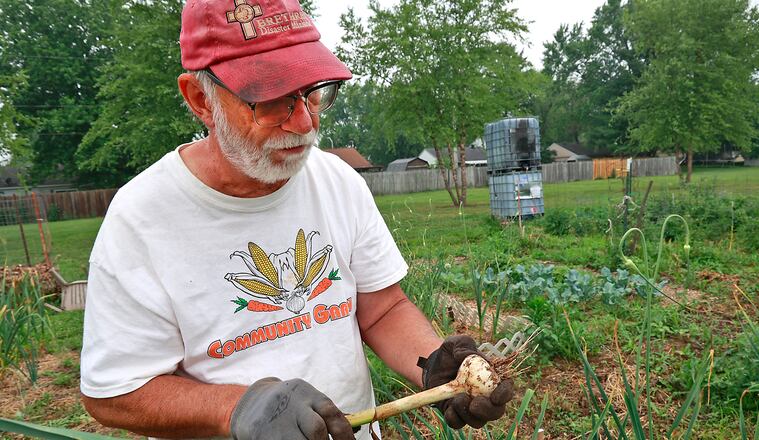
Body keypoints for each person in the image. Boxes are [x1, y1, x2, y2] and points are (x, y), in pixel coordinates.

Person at [79, 1, 514, 439]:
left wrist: (433, 367)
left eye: (312, 92)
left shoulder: (336, 181)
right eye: (272, 100)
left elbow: (381, 310)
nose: (305, 123)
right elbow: (114, 393)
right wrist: (235, 407)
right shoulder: (141, 219)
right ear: (200, 100)